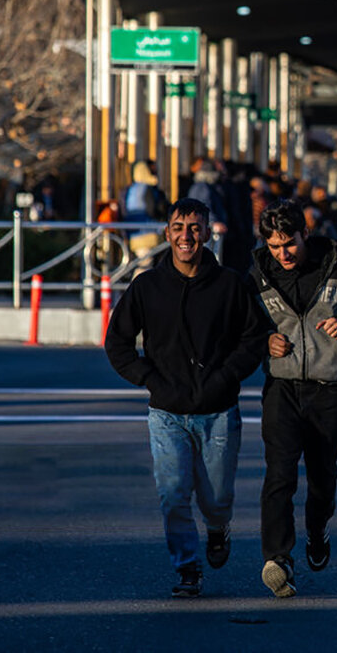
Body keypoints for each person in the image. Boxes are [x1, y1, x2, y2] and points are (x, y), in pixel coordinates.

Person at [104, 197, 267, 598]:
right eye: (179, 227)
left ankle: (217, 529)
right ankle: (187, 567)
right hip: (166, 412)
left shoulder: (230, 284)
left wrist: (227, 376)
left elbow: (255, 338)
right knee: (173, 494)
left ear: (208, 233)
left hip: (218, 411)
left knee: (216, 498)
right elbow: (117, 343)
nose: (186, 236)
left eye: (195, 228)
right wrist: (150, 380)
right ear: (167, 233)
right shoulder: (147, 287)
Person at [250, 199, 337, 598]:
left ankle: (318, 531)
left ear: (305, 234)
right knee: (279, 475)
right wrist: (262, 341)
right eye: (274, 246)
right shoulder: (257, 273)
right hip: (282, 389)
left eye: (289, 243)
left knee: (322, 476)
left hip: (329, 389)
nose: (283, 253)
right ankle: (277, 559)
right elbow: (243, 323)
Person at [121, 161, 169, 273]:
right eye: (152, 170)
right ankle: (137, 291)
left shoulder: (132, 189)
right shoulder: (145, 189)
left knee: (144, 266)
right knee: (144, 267)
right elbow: (152, 210)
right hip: (146, 233)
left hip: (136, 233)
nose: (155, 173)